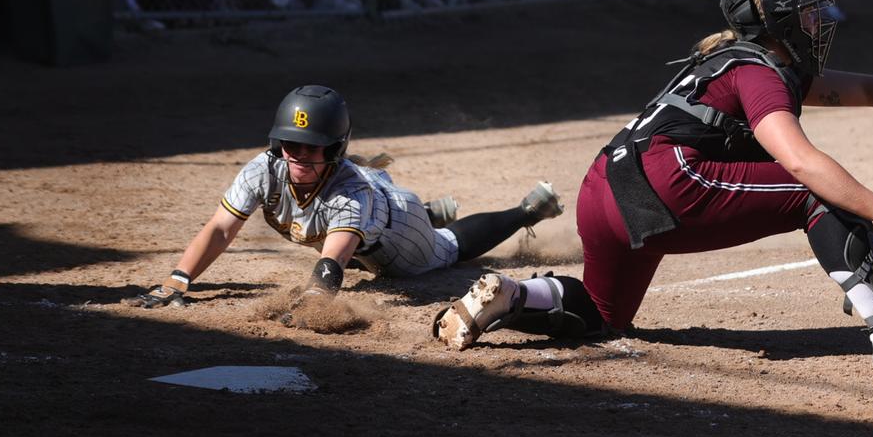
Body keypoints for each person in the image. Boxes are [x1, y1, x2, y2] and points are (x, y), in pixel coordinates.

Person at [432, 0, 873, 372]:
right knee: (821, 189)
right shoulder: (760, 71)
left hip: (605, 186)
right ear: (781, 21)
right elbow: (801, 163)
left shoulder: (738, 60)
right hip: (670, 182)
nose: (820, 24)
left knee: (602, 312)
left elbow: (868, 87)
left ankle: (513, 296)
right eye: (809, 14)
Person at [128, 85, 565, 309]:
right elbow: (221, 229)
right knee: (345, 232)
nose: (298, 155)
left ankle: (527, 209)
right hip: (369, 207)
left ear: (334, 149)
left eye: (311, 147)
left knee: (447, 248)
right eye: (291, 144)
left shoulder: (350, 192)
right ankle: (435, 212)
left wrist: (314, 302)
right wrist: (178, 279)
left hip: (397, 234)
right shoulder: (264, 168)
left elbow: (333, 262)